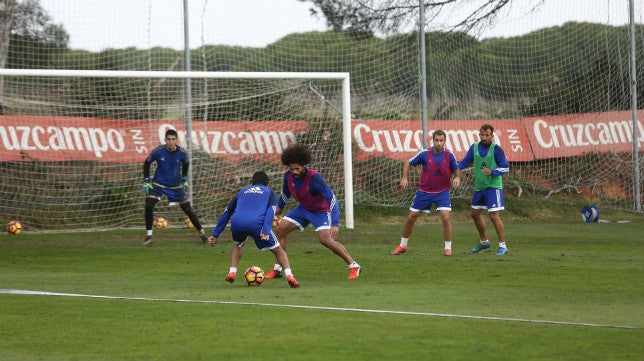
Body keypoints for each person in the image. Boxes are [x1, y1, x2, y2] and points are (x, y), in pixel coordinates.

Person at [265, 143, 361, 280]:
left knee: (325, 239)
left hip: (320, 211)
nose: (295, 172)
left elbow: (332, 199)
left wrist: (335, 223)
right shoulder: (288, 176)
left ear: (304, 165)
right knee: (281, 229)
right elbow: (285, 196)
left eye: (297, 168)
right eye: (292, 169)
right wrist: (277, 212)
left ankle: (353, 265)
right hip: (303, 209)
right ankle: (278, 269)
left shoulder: (315, 178)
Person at [208, 171, 299, 288]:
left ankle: (232, 271)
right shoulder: (269, 192)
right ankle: (289, 275)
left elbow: (227, 212)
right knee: (278, 249)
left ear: (252, 184)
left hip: (237, 223)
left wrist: (215, 234)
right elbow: (271, 211)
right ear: (267, 184)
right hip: (256, 223)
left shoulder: (242, 191)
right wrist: (266, 231)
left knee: (238, 244)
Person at [390, 130, 461, 256]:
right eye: (437, 140)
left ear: (445, 141)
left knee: (445, 216)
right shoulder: (424, 154)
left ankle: (448, 248)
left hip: (442, 192)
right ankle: (402, 246)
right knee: (411, 217)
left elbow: (456, 169)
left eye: (441, 140)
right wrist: (405, 178)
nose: (439, 143)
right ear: (432, 140)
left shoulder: (449, 155)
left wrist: (457, 177)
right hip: (424, 191)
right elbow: (408, 163)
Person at [140, 129, 208, 246]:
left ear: (176, 140)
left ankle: (202, 235)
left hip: (175, 186)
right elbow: (147, 163)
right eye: (168, 139)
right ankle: (149, 236)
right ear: (165, 140)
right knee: (148, 205)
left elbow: (186, 164)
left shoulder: (182, 153)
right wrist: (146, 180)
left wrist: (184, 178)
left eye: (173, 139)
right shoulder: (158, 151)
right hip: (158, 184)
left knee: (187, 209)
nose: (171, 142)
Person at [457, 124, 510, 255]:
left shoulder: (497, 150)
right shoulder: (474, 147)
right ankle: (484, 242)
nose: (484, 137)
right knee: (475, 214)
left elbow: (505, 167)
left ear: (492, 136)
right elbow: (464, 162)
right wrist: (453, 168)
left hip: (493, 187)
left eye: (487, 135)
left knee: (493, 216)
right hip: (479, 187)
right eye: (482, 135)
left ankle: (503, 245)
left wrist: (492, 171)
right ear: (479, 134)